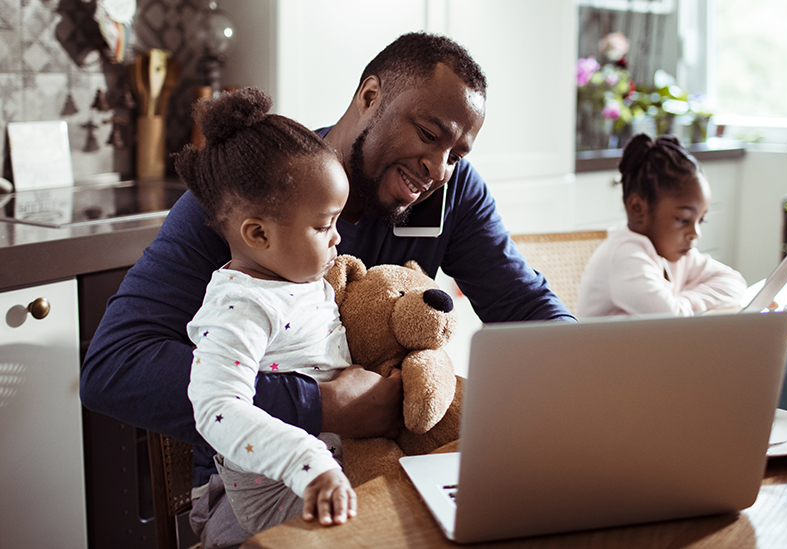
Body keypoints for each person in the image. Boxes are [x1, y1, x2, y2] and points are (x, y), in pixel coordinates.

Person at [80, 32, 573, 548]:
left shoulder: (452, 193)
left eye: (457, 152)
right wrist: (321, 404)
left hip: (387, 463)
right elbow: (115, 367)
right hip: (267, 486)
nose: (439, 168)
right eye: (429, 133)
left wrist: (599, 376)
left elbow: (524, 305)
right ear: (370, 97)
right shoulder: (255, 196)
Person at [179, 88, 356, 534]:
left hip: (335, 467)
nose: (337, 239)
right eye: (323, 225)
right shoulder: (241, 305)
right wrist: (308, 461)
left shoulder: (296, 280)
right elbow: (217, 406)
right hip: (280, 496)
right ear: (258, 234)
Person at [577, 134, 746, 317]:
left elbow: (734, 282)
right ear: (637, 208)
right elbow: (672, 318)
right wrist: (683, 305)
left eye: (701, 221)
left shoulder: (674, 253)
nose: (695, 233)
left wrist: (685, 301)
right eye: (683, 219)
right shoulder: (624, 256)